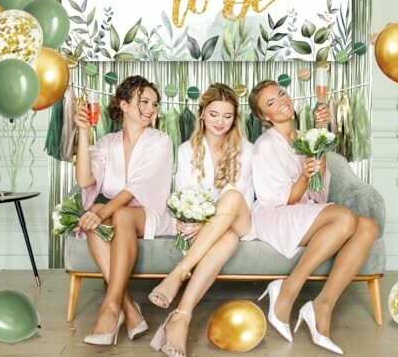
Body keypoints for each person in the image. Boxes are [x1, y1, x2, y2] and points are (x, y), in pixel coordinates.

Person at [248, 80, 378, 355]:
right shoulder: (264, 146)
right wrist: (304, 177)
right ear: (264, 117)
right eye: (270, 102)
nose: (281, 100)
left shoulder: (304, 137)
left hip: (302, 209)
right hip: (274, 215)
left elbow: (319, 194)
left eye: (282, 93)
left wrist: (320, 137)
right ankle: (287, 290)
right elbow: (278, 199)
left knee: (367, 226)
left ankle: (322, 306)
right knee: (345, 219)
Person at [149, 83, 255, 357]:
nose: (221, 122)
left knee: (231, 196)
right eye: (214, 114)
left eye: (228, 116)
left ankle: (179, 273)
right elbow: (185, 195)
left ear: (235, 118)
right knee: (227, 239)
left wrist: (204, 221)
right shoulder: (186, 150)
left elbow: (243, 195)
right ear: (202, 114)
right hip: (218, 229)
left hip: (242, 219)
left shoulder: (247, 149)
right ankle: (181, 317)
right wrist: (191, 220)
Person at [74, 75, 174, 346]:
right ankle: (129, 309)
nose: (151, 108)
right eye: (144, 101)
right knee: (96, 218)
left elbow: (135, 189)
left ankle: (110, 308)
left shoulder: (160, 141)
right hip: (119, 215)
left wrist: (102, 211)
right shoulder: (108, 142)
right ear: (124, 105)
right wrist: (83, 133)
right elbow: (85, 180)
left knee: (111, 213)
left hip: (151, 214)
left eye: (154, 103)